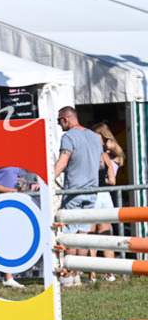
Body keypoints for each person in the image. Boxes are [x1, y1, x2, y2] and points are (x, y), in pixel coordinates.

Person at [54, 106, 102, 286]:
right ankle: (77, 274)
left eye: (60, 121)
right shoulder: (94, 137)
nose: (59, 125)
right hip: (92, 191)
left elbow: (62, 162)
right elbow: (101, 164)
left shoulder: (68, 137)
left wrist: (47, 180)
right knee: (83, 234)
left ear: (66, 119)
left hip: (73, 190)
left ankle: (67, 276)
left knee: (70, 234)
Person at [88, 130, 118, 282]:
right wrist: (103, 181)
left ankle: (92, 275)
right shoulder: (105, 156)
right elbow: (112, 181)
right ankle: (110, 274)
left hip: (91, 195)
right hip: (105, 196)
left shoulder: (86, 155)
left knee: (91, 236)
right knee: (105, 236)